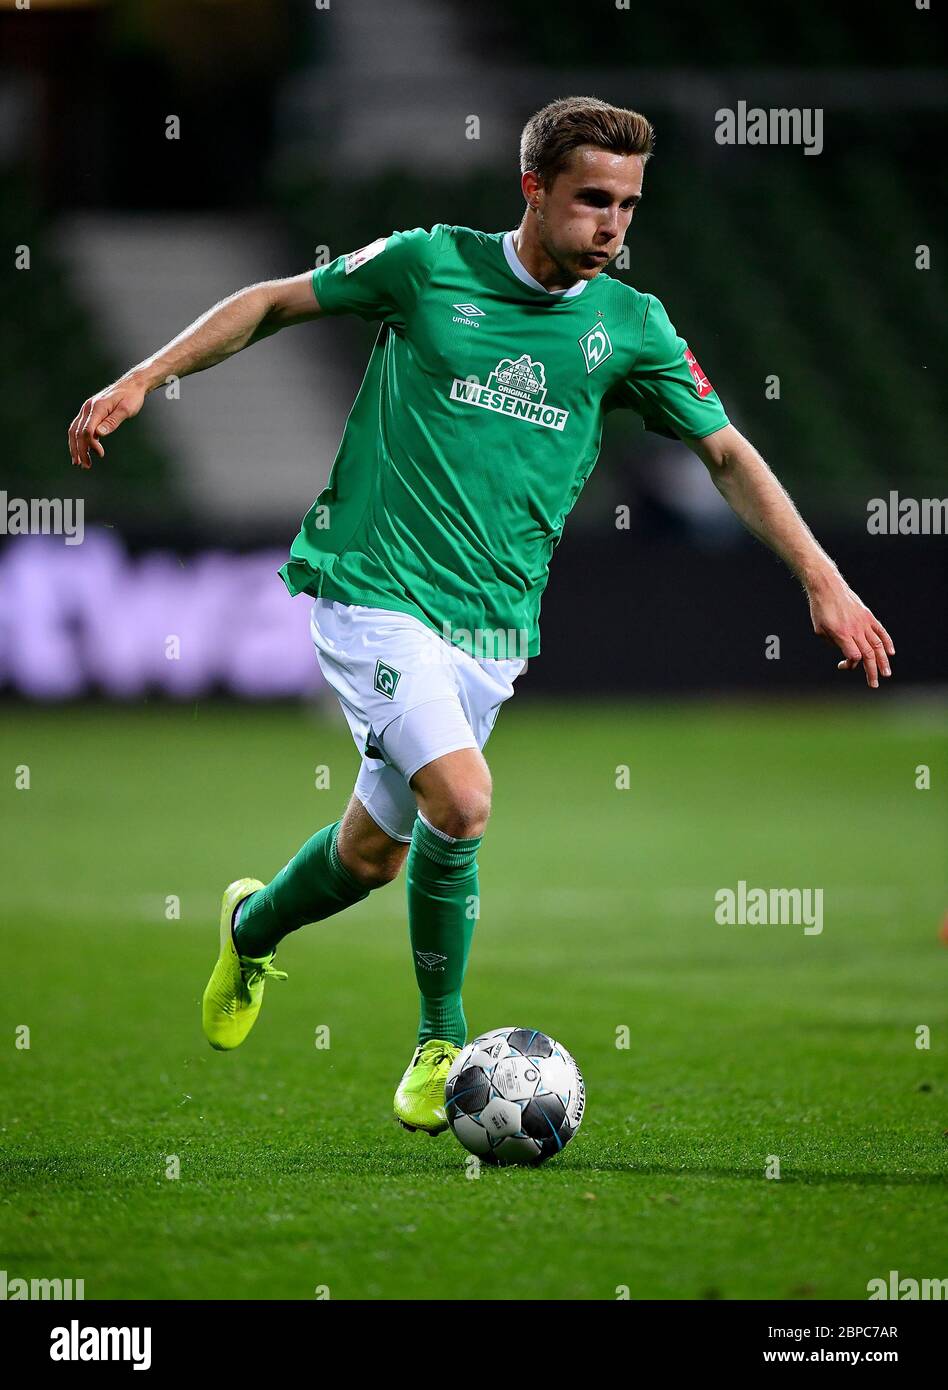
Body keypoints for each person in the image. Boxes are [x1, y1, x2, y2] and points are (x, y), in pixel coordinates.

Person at [67, 96, 894, 1135]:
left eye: (630, 206)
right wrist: (147, 376)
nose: (613, 225)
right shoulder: (427, 266)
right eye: (593, 199)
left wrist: (821, 576)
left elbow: (724, 450)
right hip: (373, 590)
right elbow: (279, 301)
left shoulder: (629, 327)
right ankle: (439, 1041)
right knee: (463, 801)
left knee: (372, 855)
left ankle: (251, 925)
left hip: (493, 632)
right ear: (533, 189)